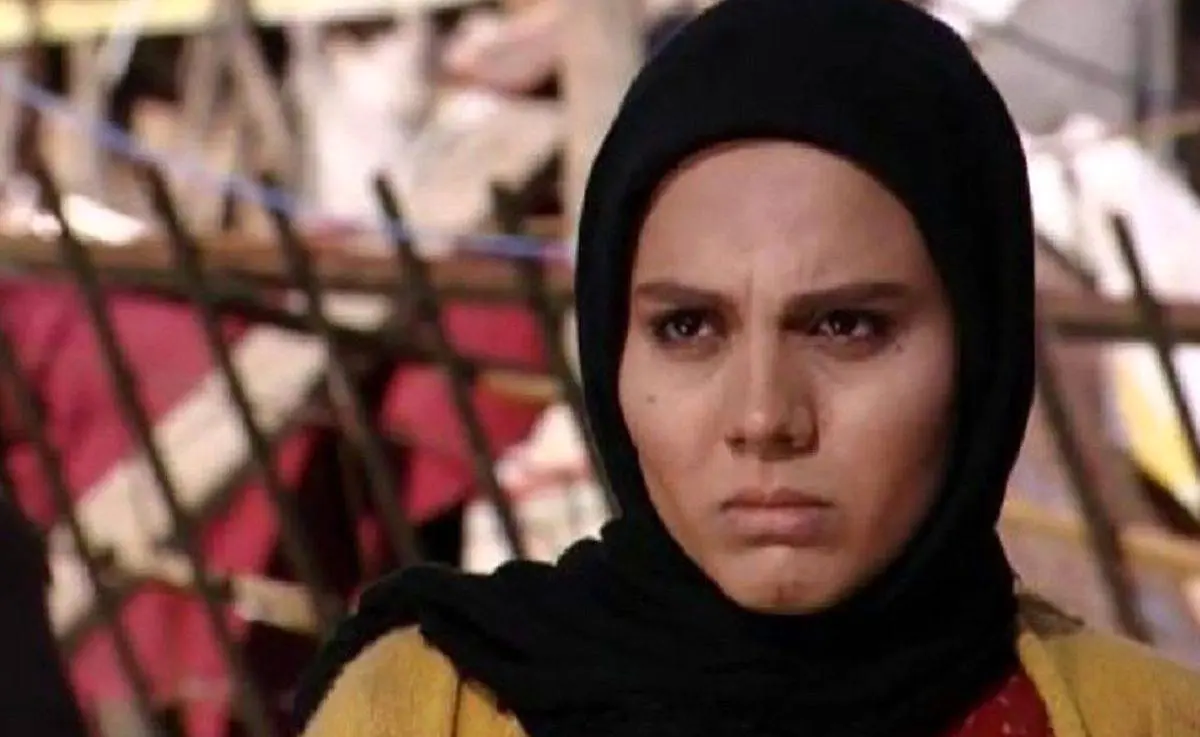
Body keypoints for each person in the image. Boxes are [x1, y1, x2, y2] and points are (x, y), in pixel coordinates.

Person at [292, 1, 1200, 736]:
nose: (764, 418)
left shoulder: (1144, 719)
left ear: (980, 349)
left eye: (845, 326)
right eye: (687, 327)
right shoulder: (431, 710)